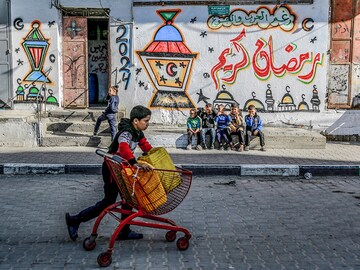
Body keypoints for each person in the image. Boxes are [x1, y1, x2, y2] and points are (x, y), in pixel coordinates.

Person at [66, 105, 153, 241]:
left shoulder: (138, 133)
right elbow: (123, 148)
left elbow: (146, 146)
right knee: (108, 202)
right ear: (136, 121)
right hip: (112, 170)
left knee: (128, 200)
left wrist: (157, 156)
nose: (148, 123)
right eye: (146, 121)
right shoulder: (126, 132)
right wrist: (135, 163)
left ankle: (124, 231)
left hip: (121, 169)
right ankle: (75, 220)